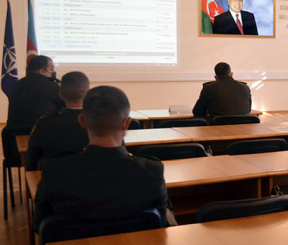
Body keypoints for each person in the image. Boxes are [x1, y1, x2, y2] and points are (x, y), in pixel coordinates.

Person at [33, 86, 171, 229]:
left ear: (82, 121)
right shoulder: (151, 170)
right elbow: (160, 224)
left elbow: (39, 225)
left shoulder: (55, 170)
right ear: (127, 124)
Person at [26, 71, 90, 171]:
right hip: (93, 181)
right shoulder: (99, 124)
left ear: (61, 95)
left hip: (53, 181)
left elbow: (32, 161)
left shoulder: (44, 124)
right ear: (88, 94)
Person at [6, 55, 63, 129]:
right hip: (42, 133)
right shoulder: (51, 86)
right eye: (51, 69)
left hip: (13, 134)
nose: (54, 72)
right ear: (42, 71)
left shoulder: (17, 84)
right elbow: (66, 103)